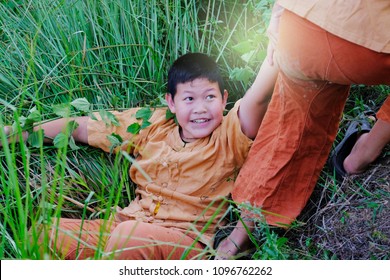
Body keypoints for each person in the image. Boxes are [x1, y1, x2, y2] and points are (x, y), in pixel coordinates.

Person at [0, 52, 278, 259]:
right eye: (189, 99)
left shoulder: (230, 134)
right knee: (45, 233)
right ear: (171, 102)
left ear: (224, 99)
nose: (201, 108)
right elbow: (81, 127)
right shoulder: (151, 124)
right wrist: (11, 133)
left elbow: (257, 99)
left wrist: (276, 50)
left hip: (187, 241)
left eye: (210, 97)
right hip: (129, 225)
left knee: (127, 239)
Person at [215, 0, 390, 259]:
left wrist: (278, 14)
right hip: (367, 47)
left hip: (298, 31)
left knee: (291, 125)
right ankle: (360, 155)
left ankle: (239, 237)